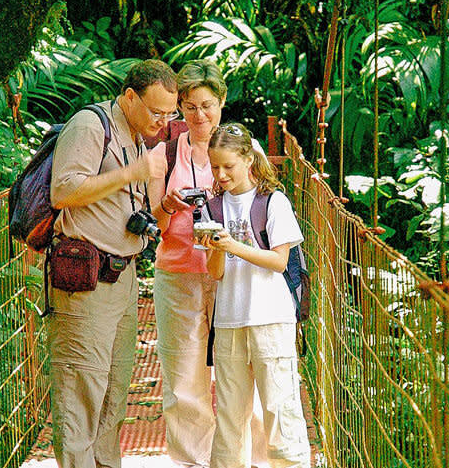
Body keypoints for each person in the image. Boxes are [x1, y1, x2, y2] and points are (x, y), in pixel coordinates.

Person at [48, 58, 178, 468]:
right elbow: (63, 191)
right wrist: (132, 172)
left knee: (113, 390)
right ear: (129, 97)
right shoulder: (90, 125)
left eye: (169, 113)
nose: (162, 121)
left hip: (120, 277)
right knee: (80, 391)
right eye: (156, 111)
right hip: (84, 279)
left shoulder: (136, 134)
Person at [146, 60, 268, 467]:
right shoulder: (164, 152)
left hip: (233, 275)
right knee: (183, 380)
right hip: (178, 274)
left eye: (208, 105)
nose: (200, 116)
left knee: (242, 374)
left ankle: (251, 460)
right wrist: (167, 205)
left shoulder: (247, 152)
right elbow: (152, 223)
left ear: (222, 102)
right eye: (190, 106)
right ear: (179, 106)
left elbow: (268, 214)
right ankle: (193, 462)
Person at [198, 123, 311, 468]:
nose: (221, 174)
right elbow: (216, 272)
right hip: (230, 319)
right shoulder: (212, 208)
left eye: (228, 166)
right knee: (230, 415)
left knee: (280, 408)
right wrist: (216, 248)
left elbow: (279, 261)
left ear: (248, 160)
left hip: (271, 318)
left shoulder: (273, 202)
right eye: (215, 166)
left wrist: (233, 244)